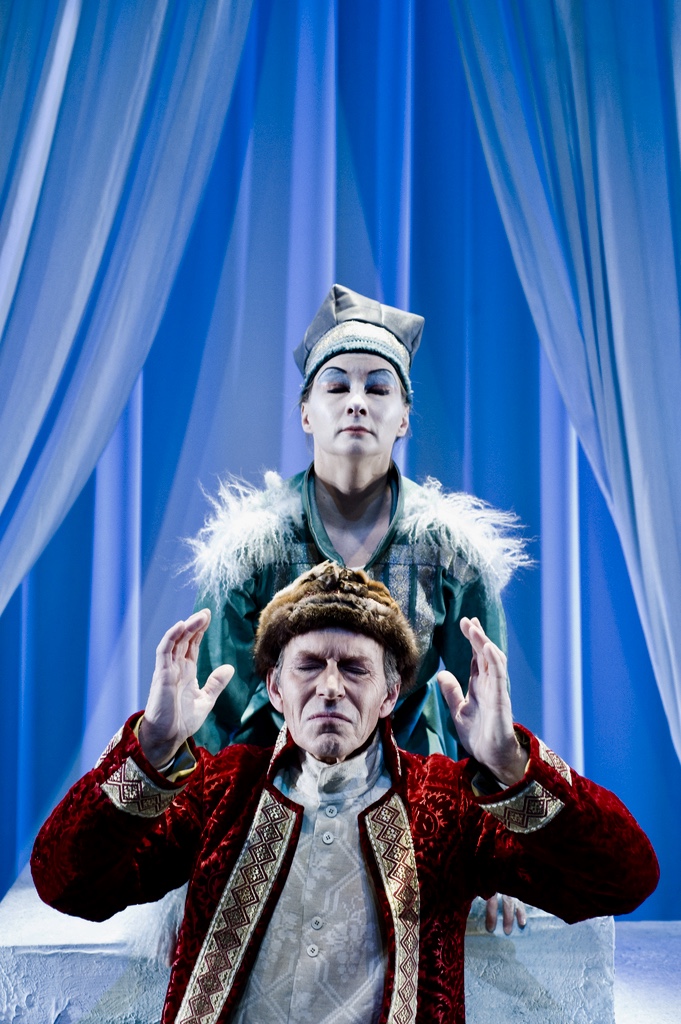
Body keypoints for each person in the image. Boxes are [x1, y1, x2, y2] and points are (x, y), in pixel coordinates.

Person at [32, 561, 658, 1024]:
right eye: (310, 665)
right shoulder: (223, 790)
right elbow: (66, 881)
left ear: (390, 695)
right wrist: (152, 748)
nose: (330, 687)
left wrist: (510, 763)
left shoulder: (444, 803)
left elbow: (623, 878)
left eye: (355, 668)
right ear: (275, 689)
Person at [190, 282, 529, 931]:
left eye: (378, 387)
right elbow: (212, 710)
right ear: (305, 412)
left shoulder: (450, 549)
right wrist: (197, 841)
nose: (356, 401)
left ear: (403, 417)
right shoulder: (254, 545)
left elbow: (484, 718)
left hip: (411, 800)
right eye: (336, 385)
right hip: (277, 797)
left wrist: (497, 849)